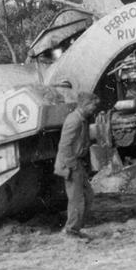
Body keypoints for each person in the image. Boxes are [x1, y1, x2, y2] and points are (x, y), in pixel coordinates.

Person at [54, 92, 101, 239]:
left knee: (88, 195)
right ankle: (71, 231)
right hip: (71, 165)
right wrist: (72, 165)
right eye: (93, 105)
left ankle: (76, 228)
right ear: (86, 105)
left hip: (77, 163)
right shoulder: (74, 120)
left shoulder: (82, 119)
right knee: (77, 199)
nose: (95, 108)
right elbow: (64, 145)